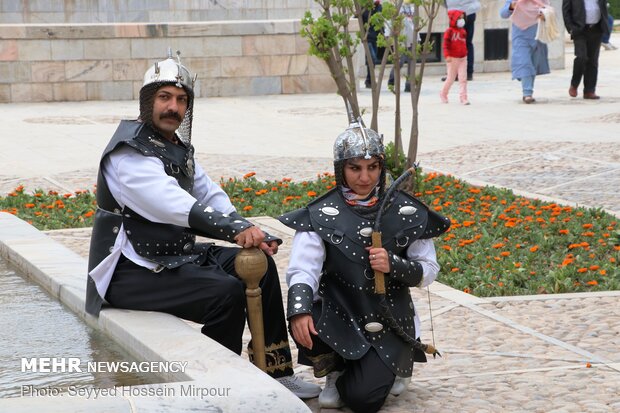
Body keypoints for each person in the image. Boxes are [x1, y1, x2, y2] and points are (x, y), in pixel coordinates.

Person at [85, 49, 321, 399]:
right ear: (148, 101)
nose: (173, 107)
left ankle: (275, 371)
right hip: (127, 270)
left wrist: (252, 230)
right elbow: (171, 204)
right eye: (165, 97)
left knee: (262, 267)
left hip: (170, 258)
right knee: (223, 294)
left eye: (181, 100)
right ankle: (212, 388)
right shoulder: (128, 153)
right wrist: (233, 230)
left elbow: (209, 194)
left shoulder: (176, 148)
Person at [278, 118, 450, 412]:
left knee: (362, 400)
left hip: (388, 317)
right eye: (355, 167)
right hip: (338, 311)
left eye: (373, 168)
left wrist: (394, 264)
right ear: (340, 169)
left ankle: (387, 367)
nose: (365, 177)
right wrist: (299, 311)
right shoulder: (322, 213)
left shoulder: (406, 211)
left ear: (382, 168)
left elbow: (428, 270)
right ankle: (335, 370)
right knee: (307, 309)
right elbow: (303, 269)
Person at [500, 0, 551, 103]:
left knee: (533, 64)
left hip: (537, 36)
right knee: (524, 62)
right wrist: (512, 6)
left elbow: (549, 11)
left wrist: (544, 15)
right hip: (520, 36)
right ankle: (527, 93)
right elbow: (503, 14)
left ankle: (527, 86)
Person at [563, 0, 610, 99]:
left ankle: (589, 91)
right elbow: (566, 11)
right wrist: (571, 28)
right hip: (580, 30)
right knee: (581, 57)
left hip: (596, 29)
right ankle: (574, 84)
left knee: (593, 61)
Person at [443, 0, 481, 81]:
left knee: (454, 43)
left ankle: (454, 73)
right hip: (469, 11)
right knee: (467, 43)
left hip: (456, 13)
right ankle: (468, 73)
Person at [440, 9, 470, 104]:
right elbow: (445, 45)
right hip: (453, 58)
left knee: (463, 78)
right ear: (454, 19)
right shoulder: (449, 31)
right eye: (459, 18)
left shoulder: (463, 31)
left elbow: (464, 43)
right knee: (451, 78)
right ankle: (443, 93)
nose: (462, 20)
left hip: (463, 58)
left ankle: (463, 97)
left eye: (462, 18)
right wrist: (447, 55)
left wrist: (465, 52)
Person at [387, 1, 416, 93]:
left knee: (412, 62)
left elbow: (414, 23)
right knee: (400, 61)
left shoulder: (413, 7)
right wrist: (390, 37)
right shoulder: (396, 6)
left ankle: (409, 85)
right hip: (400, 39)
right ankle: (392, 80)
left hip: (412, 38)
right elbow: (390, 22)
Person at [362, 0, 384, 88]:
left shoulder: (379, 7)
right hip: (367, 37)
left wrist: (383, 34)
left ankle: (369, 80)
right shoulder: (363, 7)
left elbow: (381, 21)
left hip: (376, 37)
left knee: (371, 60)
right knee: (372, 58)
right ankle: (370, 80)